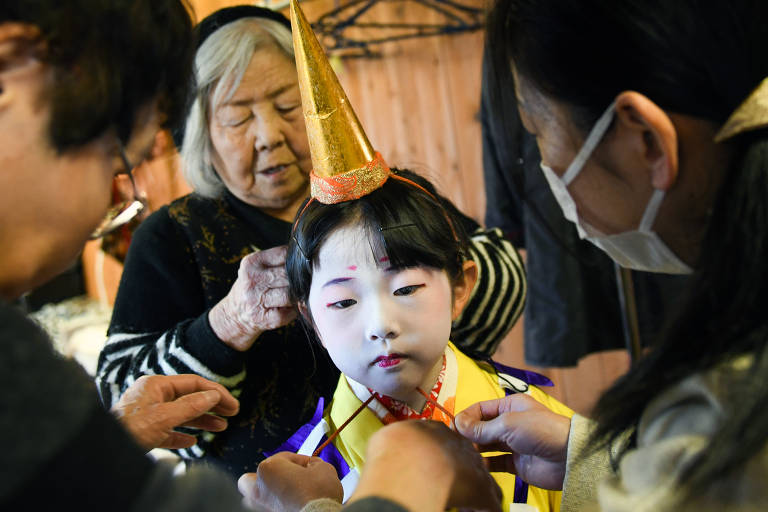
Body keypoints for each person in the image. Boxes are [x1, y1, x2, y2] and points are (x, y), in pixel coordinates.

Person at [96, 4, 526, 479]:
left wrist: (414, 279)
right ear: (203, 134)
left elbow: (505, 271)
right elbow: (120, 395)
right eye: (238, 119)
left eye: (287, 107)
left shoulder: (379, 190)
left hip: (433, 473)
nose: (269, 136)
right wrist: (230, 322)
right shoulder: (172, 235)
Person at [0, 1, 244, 509]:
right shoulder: (169, 236)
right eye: (116, 160)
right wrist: (402, 478)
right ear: (14, 65)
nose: (108, 205)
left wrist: (112, 442)